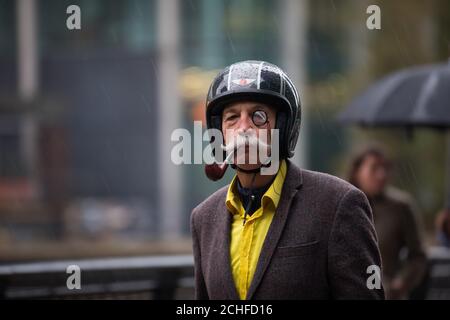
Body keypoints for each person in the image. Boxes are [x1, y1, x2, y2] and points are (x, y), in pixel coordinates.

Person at [190, 60, 384, 300]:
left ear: (283, 128)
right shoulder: (203, 218)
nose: (243, 128)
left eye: (258, 116)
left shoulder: (338, 203)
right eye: (232, 117)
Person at [348, 146, 426, 299]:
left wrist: (401, 283)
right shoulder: (341, 204)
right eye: (374, 168)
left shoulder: (401, 207)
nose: (381, 174)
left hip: (388, 294)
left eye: (385, 168)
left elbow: (418, 257)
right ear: (357, 172)